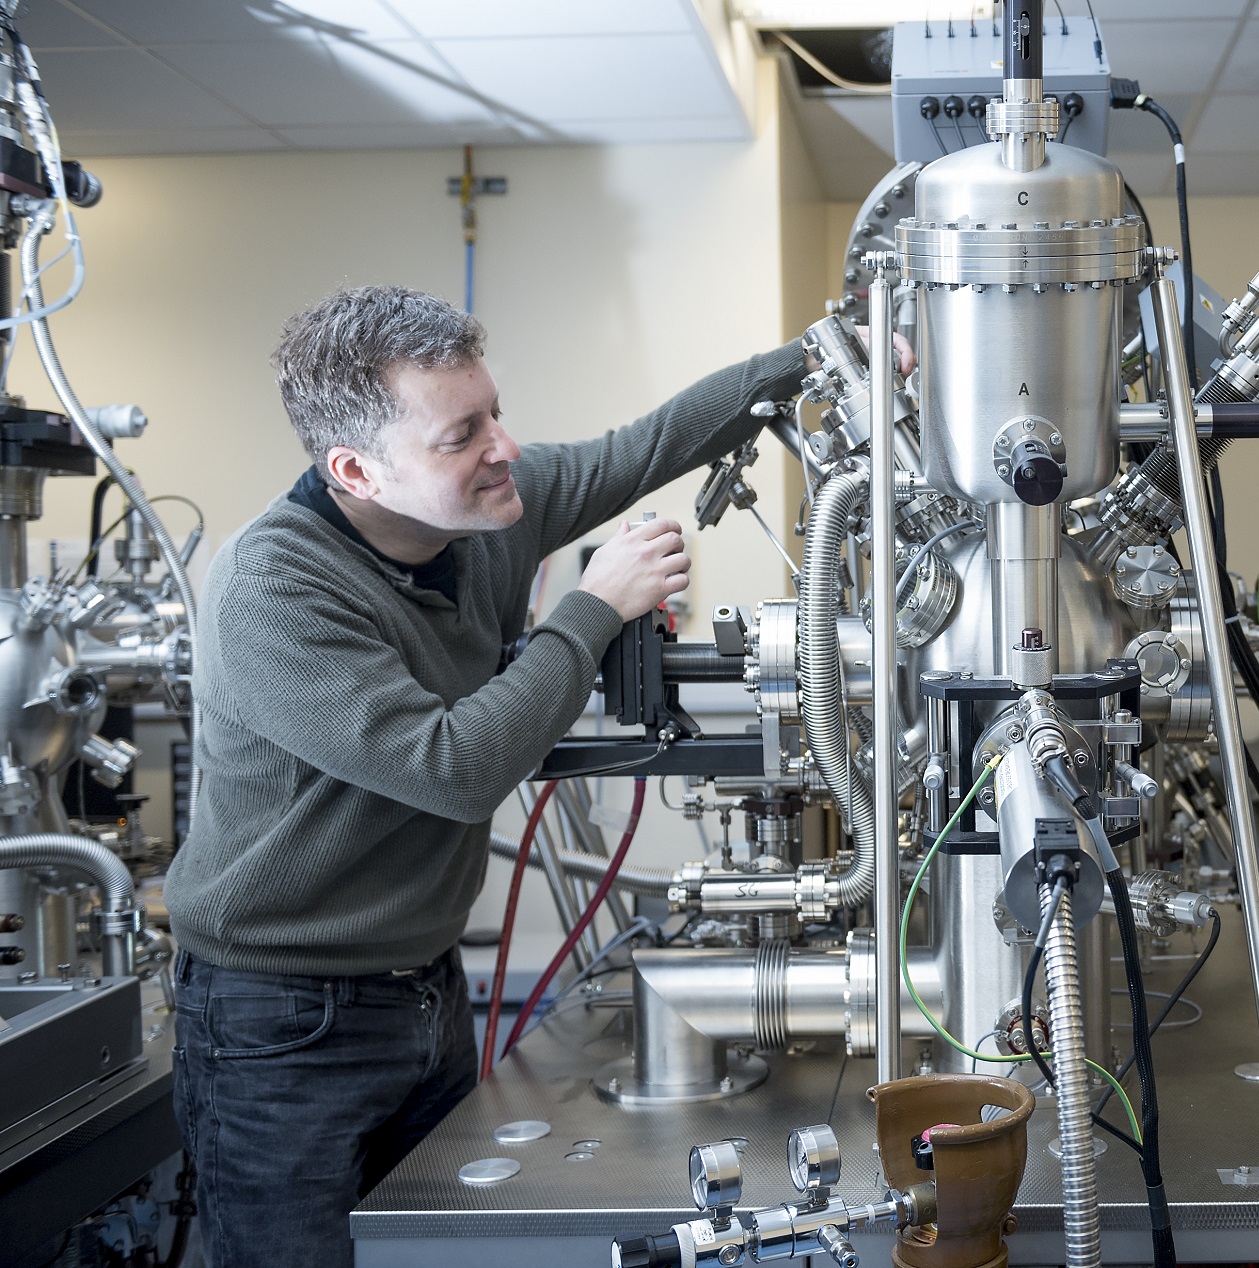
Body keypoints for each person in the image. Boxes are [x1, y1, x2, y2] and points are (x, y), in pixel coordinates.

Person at [163, 286, 909, 1267]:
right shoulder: (274, 589)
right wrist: (594, 607)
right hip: (283, 1019)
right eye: (461, 433)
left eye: (495, 413)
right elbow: (454, 767)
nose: (504, 447)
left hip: (425, 984)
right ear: (356, 468)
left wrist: (823, 354)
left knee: (421, 1254)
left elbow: (649, 444)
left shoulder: (486, 509)